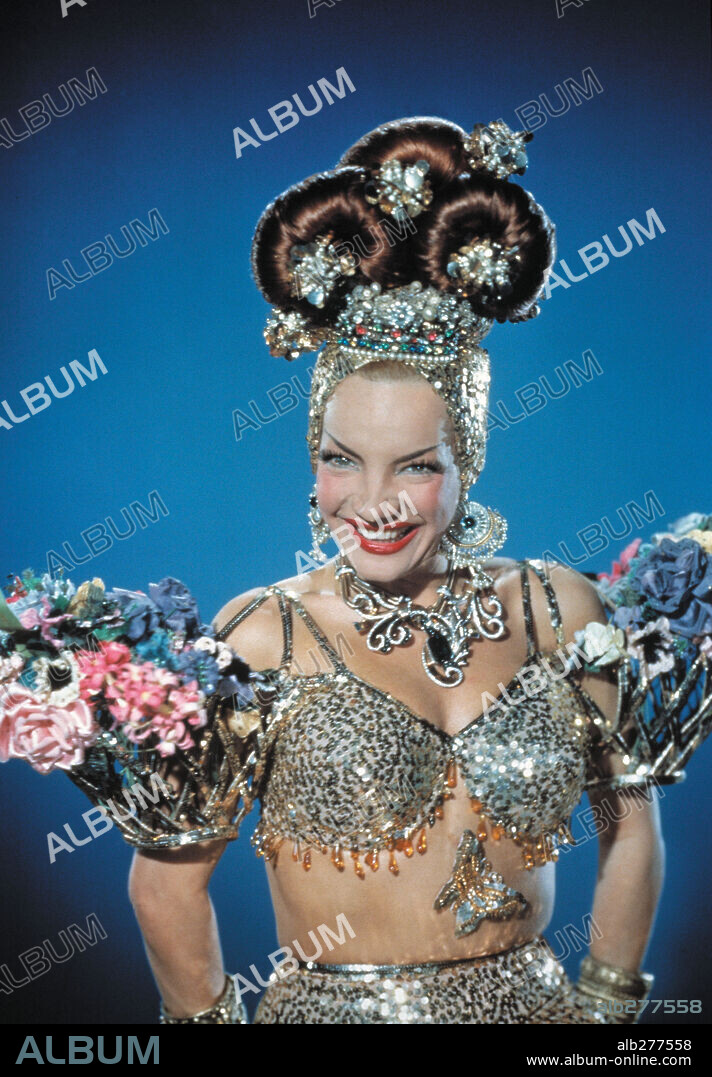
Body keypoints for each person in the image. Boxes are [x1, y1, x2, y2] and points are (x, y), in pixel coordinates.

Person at [127, 117, 664, 1024]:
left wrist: (605, 1014)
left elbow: (631, 829)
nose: (373, 501)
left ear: (467, 462)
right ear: (312, 456)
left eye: (416, 466)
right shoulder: (260, 636)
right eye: (343, 459)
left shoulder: (558, 609)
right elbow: (165, 887)